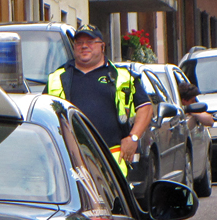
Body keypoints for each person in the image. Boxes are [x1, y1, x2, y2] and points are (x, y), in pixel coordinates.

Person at [46, 24, 151, 175]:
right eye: (79, 43)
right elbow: (43, 111)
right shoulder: (57, 78)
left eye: (90, 42)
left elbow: (146, 108)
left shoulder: (120, 76)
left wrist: (133, 138)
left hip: (112, 158)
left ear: (102, 46)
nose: (84, 46)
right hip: (70, 157)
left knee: (113, 199)